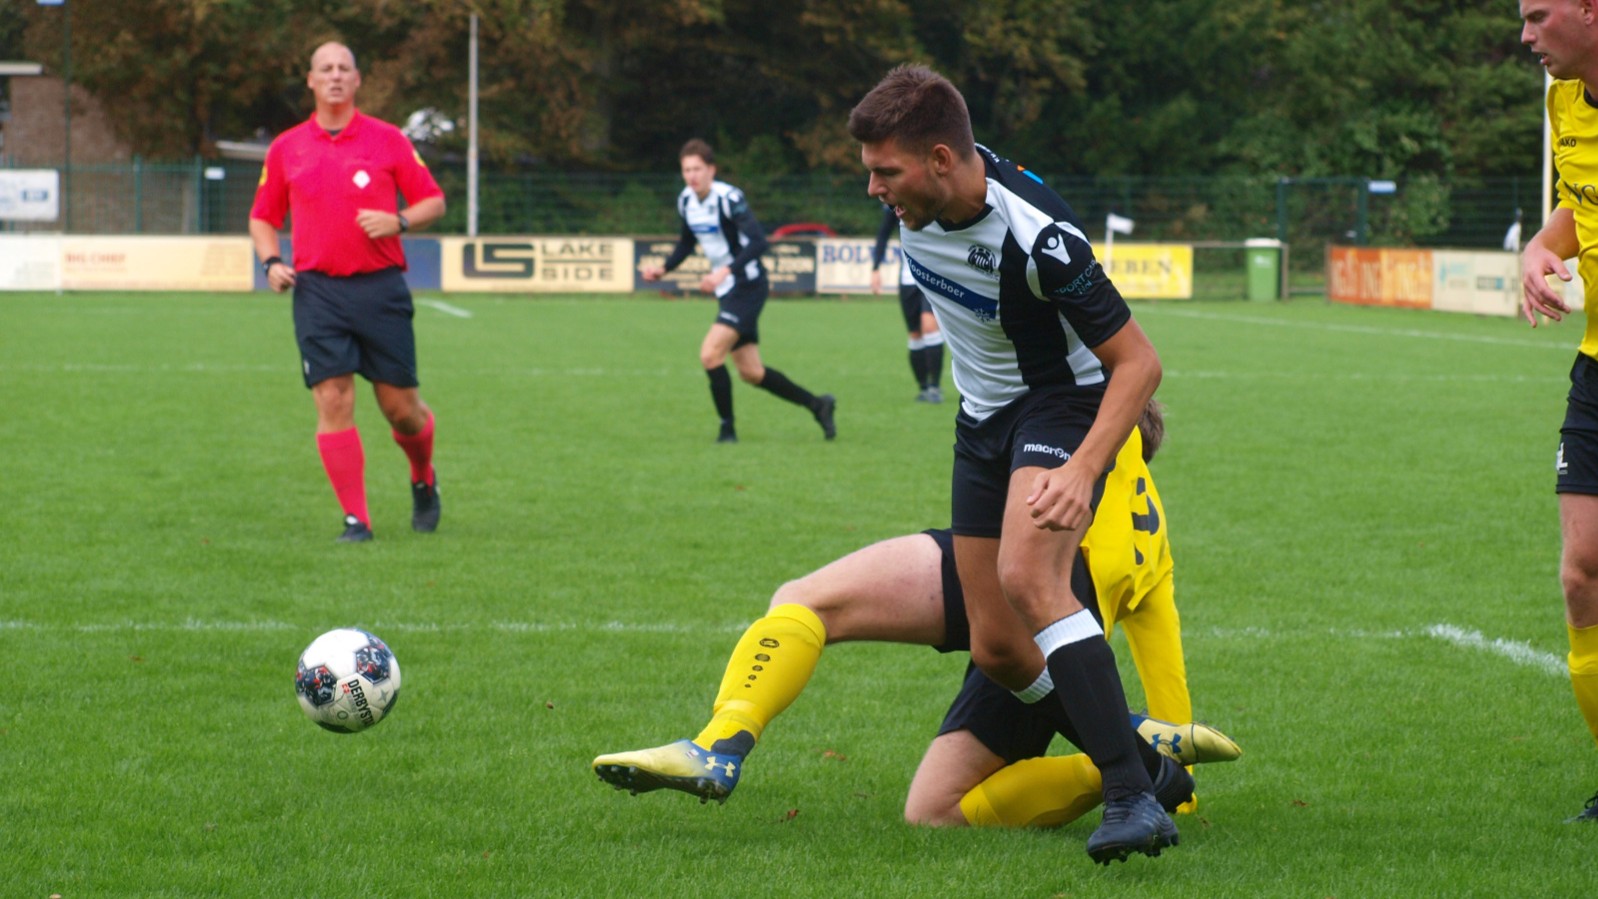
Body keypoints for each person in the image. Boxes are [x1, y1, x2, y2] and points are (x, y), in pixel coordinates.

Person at [594, 405, 1239, 831]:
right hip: (1066, 630)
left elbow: (1106, 359)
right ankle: (1134, 757)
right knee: (933, 813)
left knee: (808, 599)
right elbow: (1163, 640)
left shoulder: (1086, 411)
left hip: (1022, 575)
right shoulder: (1155, 532)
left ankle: (718, 748)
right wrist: (1177, 743)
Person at [846, 65, 1169, 863]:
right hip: (980, 422)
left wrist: (1083, 468)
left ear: (942, 159)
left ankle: (1128, 794)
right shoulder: (916, 207)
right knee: (995, 644)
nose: (873, 189)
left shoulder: (1041, 236)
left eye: (886, 172)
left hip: (1061, 405)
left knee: (1032, 580)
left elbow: (1138, 364)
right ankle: (1150, 769)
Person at [248, 42, 445, 543]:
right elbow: (263, 217)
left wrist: (397, 219)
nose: (335, 76)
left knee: (402, 410)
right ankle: (357, 519)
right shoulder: (287, 147)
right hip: (317, 293)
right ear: (310, 81)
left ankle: (423, 476)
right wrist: (271, 261)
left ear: (357, 80)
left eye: (344, 69)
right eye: (325, 69)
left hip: (380, 291)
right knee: (333, 399)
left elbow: (433, 201)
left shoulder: (388, 140)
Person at [1518, 0, 1598, 824]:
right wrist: (1541, 248)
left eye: (1539, 16)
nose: (1527, 35)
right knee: (1583, 573)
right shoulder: (1563, 99)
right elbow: (1580, 205)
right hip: (1597, 369)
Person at [641, 139, 837, 444]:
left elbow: (759, 242)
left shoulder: (728, 198)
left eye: (697, 169)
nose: (691, 175)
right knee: (751, 372)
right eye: (686, 170)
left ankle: (727, 430)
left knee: (710, 354)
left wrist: (725, 271)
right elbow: (685, 243)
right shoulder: (686, 201)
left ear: (711, 170)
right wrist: (663, 270)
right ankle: (818, 405)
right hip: (729, 289)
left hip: (747, 286)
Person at [870, 203, 946, 403]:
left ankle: (935, 387)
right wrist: (875, 268)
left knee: (929, 326)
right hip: (907, 279)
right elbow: (883, 234)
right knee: (915, 335)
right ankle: (923, 387)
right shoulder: (897, 203)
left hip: (933, 276)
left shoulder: (935, 199)